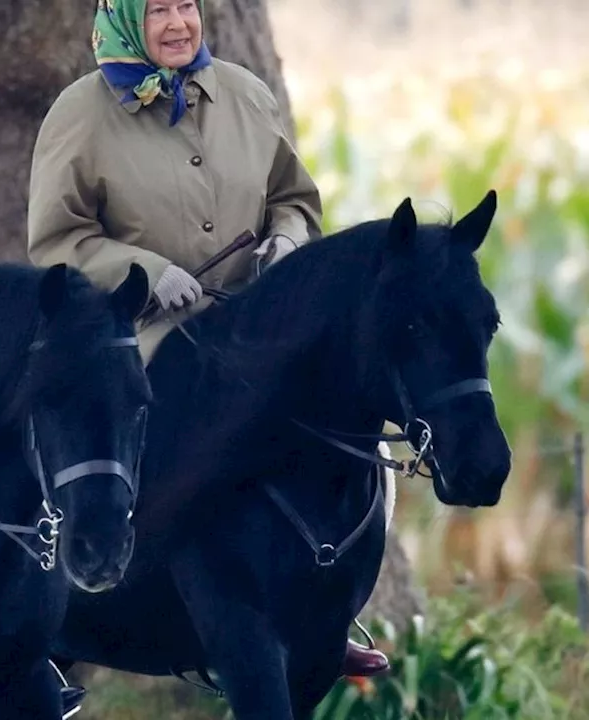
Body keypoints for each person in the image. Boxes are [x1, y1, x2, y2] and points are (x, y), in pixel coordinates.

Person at [25, 0, 392, 678]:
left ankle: (327, 613)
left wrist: (288, 236)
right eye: (157, 9)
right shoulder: (79, 114)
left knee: (349, 423)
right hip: (142, 330)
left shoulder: (246, 93)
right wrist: (148, 272)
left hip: (260, 329)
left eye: (186, 5)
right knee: (153, 431)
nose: (177, 23)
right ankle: (105, 611)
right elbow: (56, 241)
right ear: (128, 19)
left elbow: (293, 196)